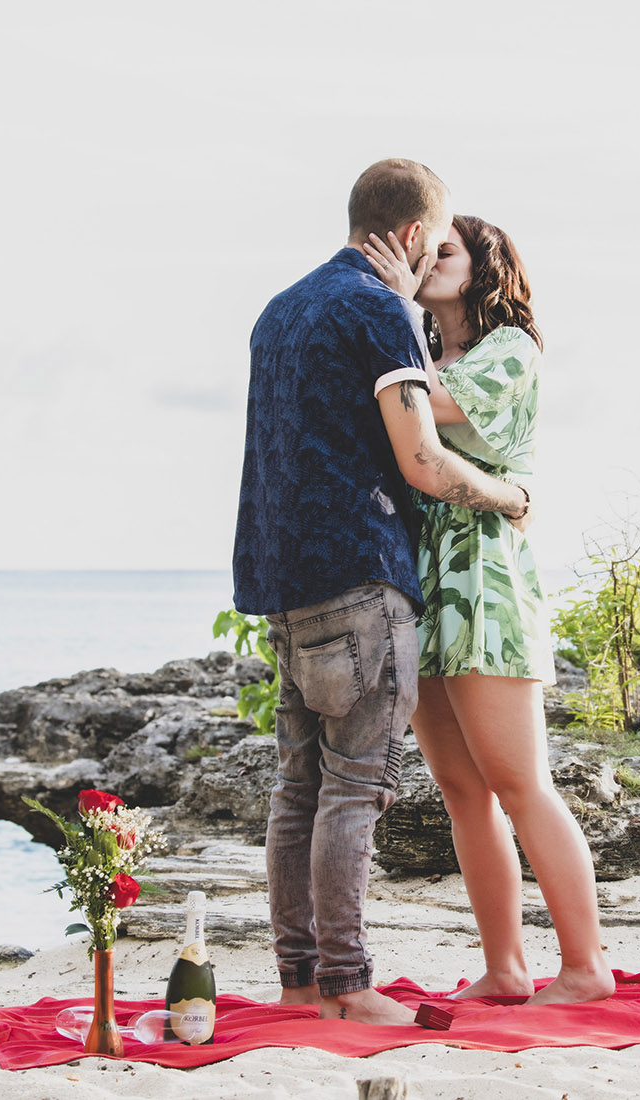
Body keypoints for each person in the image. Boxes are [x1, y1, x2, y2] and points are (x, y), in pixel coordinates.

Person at [232, 159, 533, 1027]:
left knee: (298, 788)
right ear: (409, 236)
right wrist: (509, 497)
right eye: (435, 243)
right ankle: (348, 985)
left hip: (280, 580)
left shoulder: (280, 308)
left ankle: (297, 981)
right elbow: (422, 462)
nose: (436, 257)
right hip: (360, 577)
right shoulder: (377, 311)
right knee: (356, 789)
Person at [361, 217, 615, 1005]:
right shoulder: (428, 354)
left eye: (445, 251)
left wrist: (395, 307)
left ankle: (585, 968)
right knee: (460, 789)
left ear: (483, 267)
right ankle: (506, 969)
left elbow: (422, 406)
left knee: (519, 781)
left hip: (482, 576)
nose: (427, 261)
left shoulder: (509, 348)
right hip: (425, 580)